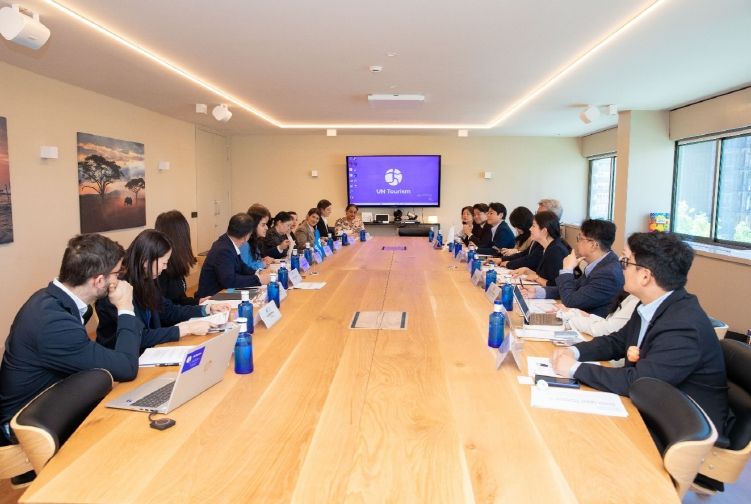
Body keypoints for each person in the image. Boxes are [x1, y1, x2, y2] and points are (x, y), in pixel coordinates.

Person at [551, 232, 729, 435]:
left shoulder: (683, 325)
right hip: (654, 407)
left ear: (645, 276)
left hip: (684, 429)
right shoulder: (651, 304)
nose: (620, 266)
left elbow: (641, 382)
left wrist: (575, 369)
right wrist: (575, 351)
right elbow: (617, 342)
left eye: (626, 261)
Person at [0, 234, 140, 440]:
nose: (118, 280)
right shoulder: (54, 325)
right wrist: (126, 308)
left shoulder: (49, 298)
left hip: (50, 402)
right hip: (27, 430)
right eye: (117, 273)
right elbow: (127, 367)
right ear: (99, 280)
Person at [96, 230, 227, 351]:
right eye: (164, 263)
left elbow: (168, 310)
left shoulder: (146, 278)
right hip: (122, 357)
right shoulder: (116, 289)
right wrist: (184, 329)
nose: (165, 268)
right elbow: (138, 336)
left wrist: (205, 309)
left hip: (150, 350)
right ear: (146, 261)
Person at [522, 219, 624, 317]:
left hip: (590, 326)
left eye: (580, 238)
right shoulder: (601, 263)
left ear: (593, 245)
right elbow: (575, 288)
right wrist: (537, 292)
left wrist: (567, 270)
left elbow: (571, 301)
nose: (576, 243)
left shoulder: (608, 273)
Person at [196, 213, 266, 298]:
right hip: (211, 297)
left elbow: (241, 266)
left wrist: (257, 272)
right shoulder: (223, 249)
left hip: (223, 291)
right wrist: (258, 279)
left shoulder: (227, 242)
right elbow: (230, 281)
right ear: (246, 236)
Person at [510, 211, 569, 286]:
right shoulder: (549, 247)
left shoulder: (556, 251)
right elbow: (544, 276)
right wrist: (526, 270)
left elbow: (555, 285)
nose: (530, 229)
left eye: (533, 226)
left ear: (544, 231)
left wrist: (537, 278)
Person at [155, 210, 199, 306]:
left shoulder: (175, 262)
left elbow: (179, 300)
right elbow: (166, 310)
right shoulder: (160, 271)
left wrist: (198, 302)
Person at [561, 291, 639, 337]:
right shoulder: (632, 296)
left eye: (626, 268)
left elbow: (607, 330)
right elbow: (610, 323)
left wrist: (570, 320)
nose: (623, 271)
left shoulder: (636, 300)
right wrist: (579, 313)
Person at [241, 204, 273, 270]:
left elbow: (252, 261)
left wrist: (262, 260)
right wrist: (262, 264)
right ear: (254, 224)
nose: (267, 228)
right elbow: (244, 269)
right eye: (263, 224)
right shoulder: (244, 243)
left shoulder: (256, 240)